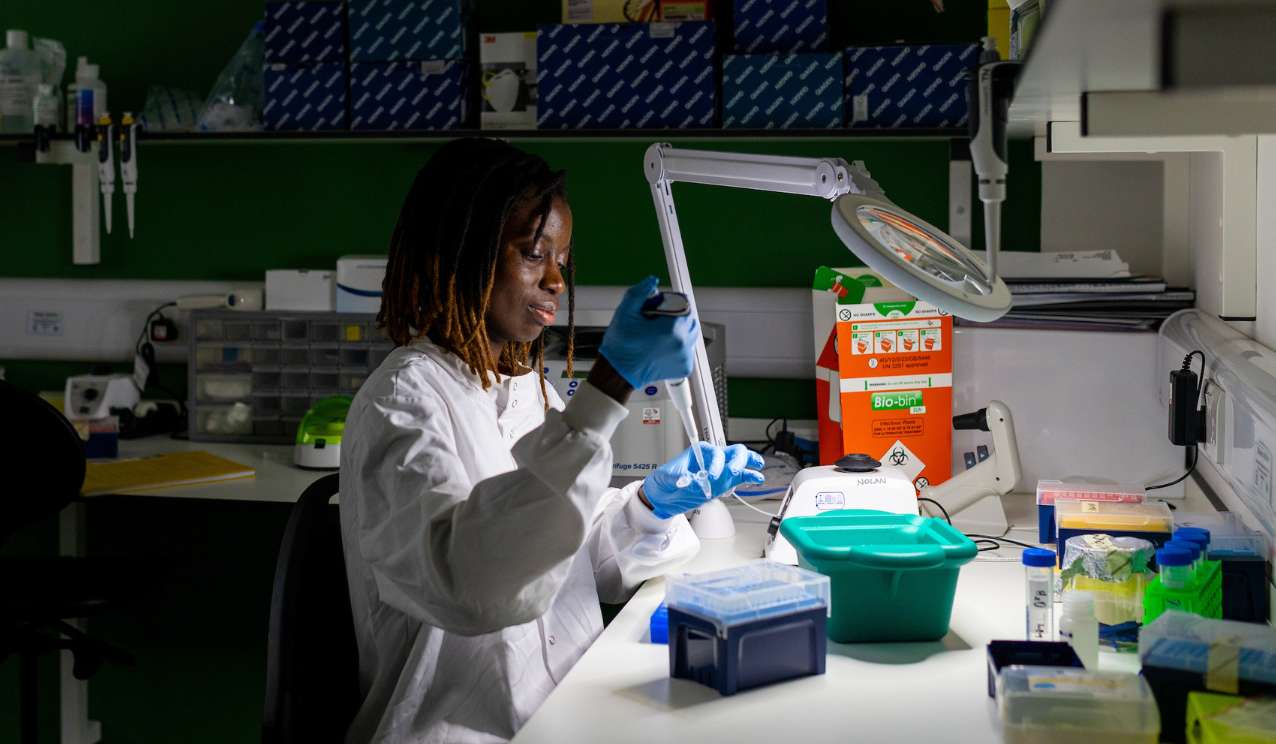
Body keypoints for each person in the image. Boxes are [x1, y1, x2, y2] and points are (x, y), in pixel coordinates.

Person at [339, 138, 764, 744]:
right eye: (535, 255)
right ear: (460, 252)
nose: (558, 280)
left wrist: (648, 507)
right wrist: (611, 384)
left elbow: (564, 557)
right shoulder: (403, 404)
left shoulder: (526, 392)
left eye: (563, 257)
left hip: (562, 709)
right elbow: (475, 586)